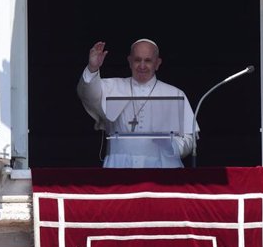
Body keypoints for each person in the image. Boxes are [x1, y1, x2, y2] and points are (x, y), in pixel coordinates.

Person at [77, 39, 198, 168]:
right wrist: (93, 68)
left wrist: (172, 145)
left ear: (157, 63)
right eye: (137, 60)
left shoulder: (176, 94)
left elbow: (190, 140)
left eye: (148, 60)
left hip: (163, 167)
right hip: (119, 167)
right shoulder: (112, 86)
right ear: (129, 61)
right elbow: (87, 94)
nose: (142, 66)